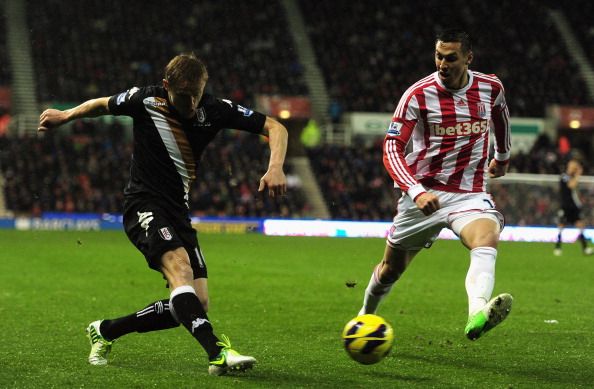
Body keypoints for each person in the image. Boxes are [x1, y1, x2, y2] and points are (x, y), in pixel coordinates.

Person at [38, 53, 288, 375]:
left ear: (203, 88)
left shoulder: (213, 110)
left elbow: (274, 126)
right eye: (183, 98)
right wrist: (66, 115)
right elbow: (101, 104)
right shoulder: (145, 99)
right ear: (166, 85)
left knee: (196, 304)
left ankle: (106, 330)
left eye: (195, 96)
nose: (190, 105)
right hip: (143, 204)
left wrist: (275, 166)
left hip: (178, 213)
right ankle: (218, 354)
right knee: (180, 269)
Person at [358, 29, 513, 341]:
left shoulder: (490, 87)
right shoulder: (417, 94)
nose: (443, 63)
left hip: (468, 193)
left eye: (451, 57)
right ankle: (365, 315)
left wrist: (503, 155)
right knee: (391, 269)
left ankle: (477, 312)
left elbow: (501, 115)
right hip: (423, 194)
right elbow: (391, 149)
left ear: (468, 58)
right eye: (439, 56)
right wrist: (415, 191)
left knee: (486, 237)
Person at [554, 152, 593, 256]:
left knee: (580, 225)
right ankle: (557, 247)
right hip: (565, 206)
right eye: (572, 166)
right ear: (568, 166)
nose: (573, 168)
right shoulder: (564, 177)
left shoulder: (571, 177)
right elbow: (571, 185)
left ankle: (585, 248)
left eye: (574, 166)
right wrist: (578, 174)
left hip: (574, 206)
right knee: (561, 226)